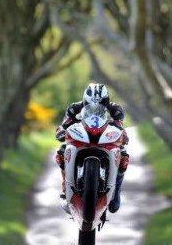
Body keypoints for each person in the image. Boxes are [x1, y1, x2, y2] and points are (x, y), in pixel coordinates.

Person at [54, 83, 129, 213]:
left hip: (104, 138)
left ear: (106, 101)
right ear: (85, 100)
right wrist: (60, 131)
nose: (95, 106)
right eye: (90, 103)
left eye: (101, 103)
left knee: (123, 155)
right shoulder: (74, 108)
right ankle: (65, 186)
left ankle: (116, 191)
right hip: (82, 137)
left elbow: (120, 127)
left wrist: (123, 135)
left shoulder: (116, 109)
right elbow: (65, 124)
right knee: (61, 151)